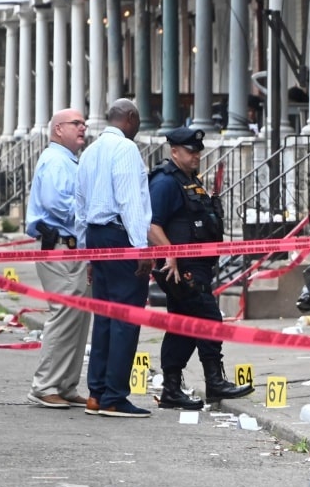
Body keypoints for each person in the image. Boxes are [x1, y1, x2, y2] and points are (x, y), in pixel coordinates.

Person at [148, 127, 255, 410]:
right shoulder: (166, 182)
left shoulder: (189, 180)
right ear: (174, 152)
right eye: (190, 151)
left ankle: (173, 388)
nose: (196, 156)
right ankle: (213, 382)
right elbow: (151, 224)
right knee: (208, 318)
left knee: (182, 327)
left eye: (198, 151)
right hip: (182, 268)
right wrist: (169, 255)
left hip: (198, 266)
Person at [75, 99, 154, 418]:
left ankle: (96, 392)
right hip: (120, 235)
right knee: (125, 318)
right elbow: (129, 200)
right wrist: (141, 247)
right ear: (131, 118)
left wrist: (87, 253)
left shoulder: (90, 151)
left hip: (96, 235)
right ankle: (114, 396)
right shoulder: (125, 150)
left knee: (105, 316)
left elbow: (79, 205)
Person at [23, 108, 91, 410]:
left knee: (77, 317)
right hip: (60, 247)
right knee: (64, 315)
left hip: (73, 248)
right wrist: (91, 215)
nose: (83, 127)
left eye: (84, 123)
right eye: (76, 123)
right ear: (58, 129)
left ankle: (64, 384)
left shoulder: (68, 161)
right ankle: (45, 385)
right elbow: (57, 204)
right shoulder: (54, 161)